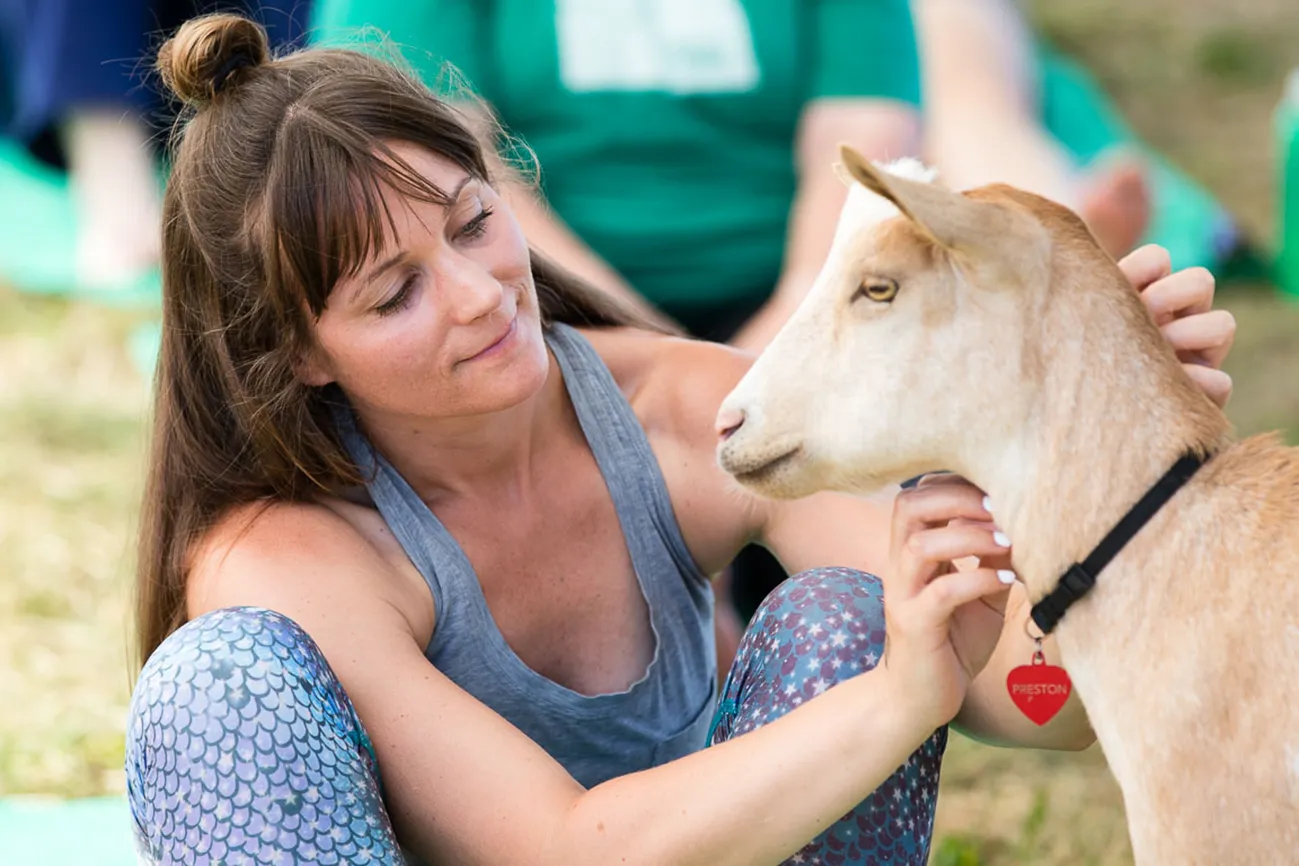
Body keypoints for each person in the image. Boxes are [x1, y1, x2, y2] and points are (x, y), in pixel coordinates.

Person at [124, 14, 1236, 865]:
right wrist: (899, 694)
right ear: (301, 350)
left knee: (848, 619)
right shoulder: (286, 555)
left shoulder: (683, 414)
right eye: (394, 292)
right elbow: (567, 844)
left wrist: (1123, 464)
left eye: (473, 221)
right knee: (213, 686)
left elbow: (1031, 703)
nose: (480, 295)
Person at [308, 0, 926, 651]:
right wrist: (653, 359)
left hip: (802, 300)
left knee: (866, 601)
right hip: (537, 306)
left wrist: (784, 341)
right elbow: (429, 178)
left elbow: (865, 132)